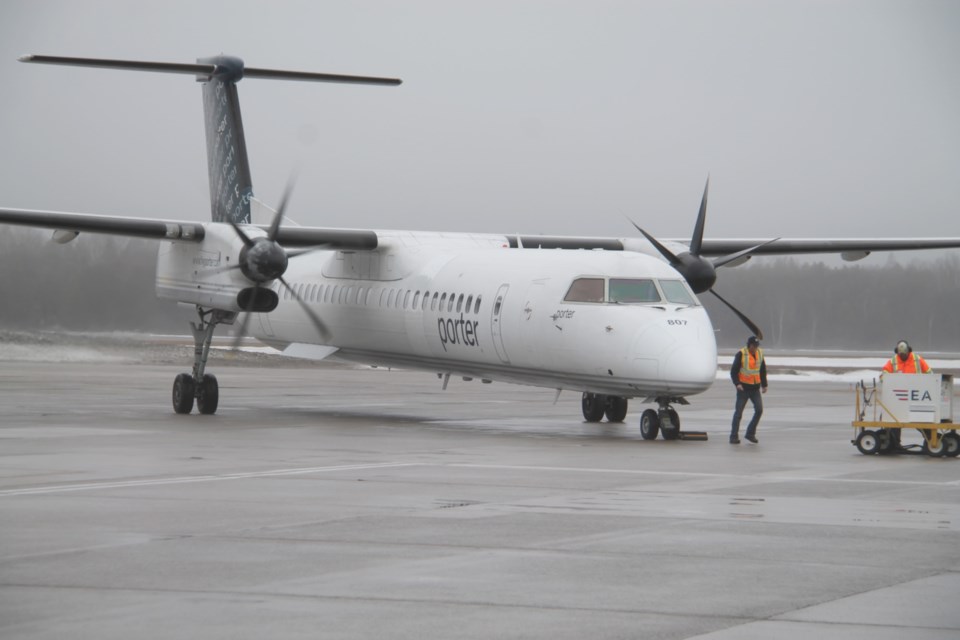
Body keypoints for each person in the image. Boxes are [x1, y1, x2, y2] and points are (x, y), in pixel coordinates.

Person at [880, 340, 932, 450]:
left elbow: (930, 374)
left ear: (909, 351)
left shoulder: (918, 360)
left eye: (904, 353)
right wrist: (886, 380)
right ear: (897, 352)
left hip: (916, 397)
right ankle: (894, 443)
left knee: (920, 421)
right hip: (899, 399)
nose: (903, 356)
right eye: (901, 354)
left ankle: (931, 440)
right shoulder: (893, 361)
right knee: (894, 421)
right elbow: (883, 375)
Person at [730, 335, 767, 444]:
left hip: (755, 389)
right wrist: (737, 383)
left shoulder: (760, 353)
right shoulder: (741, 354)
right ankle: (733, 437)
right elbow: (734, 371)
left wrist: (764, 385)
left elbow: (762, 370)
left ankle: (750, 434)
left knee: (759, 410)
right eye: (754, 346)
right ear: (749, 345)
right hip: (743, 389)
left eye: (757, 346)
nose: (755, 348)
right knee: (738, 413)